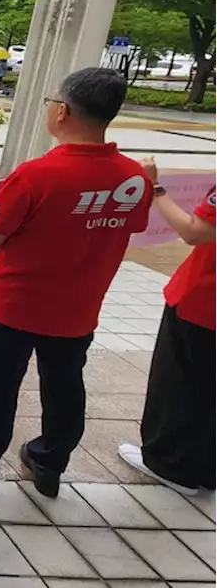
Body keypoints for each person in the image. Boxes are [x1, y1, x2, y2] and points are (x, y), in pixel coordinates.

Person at [0, 68, 152, 498]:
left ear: (62, 111)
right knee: (65, 386)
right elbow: (133, 224)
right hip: (79, 309)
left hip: (14, 305)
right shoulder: (134, 178)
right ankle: (48, 460)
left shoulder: (36, 174)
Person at [117, 158, 217, 496]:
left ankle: (168, 463)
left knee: (179, 381)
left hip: (204, 300)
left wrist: (155, 188)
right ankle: (204, 467)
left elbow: (194, 232)